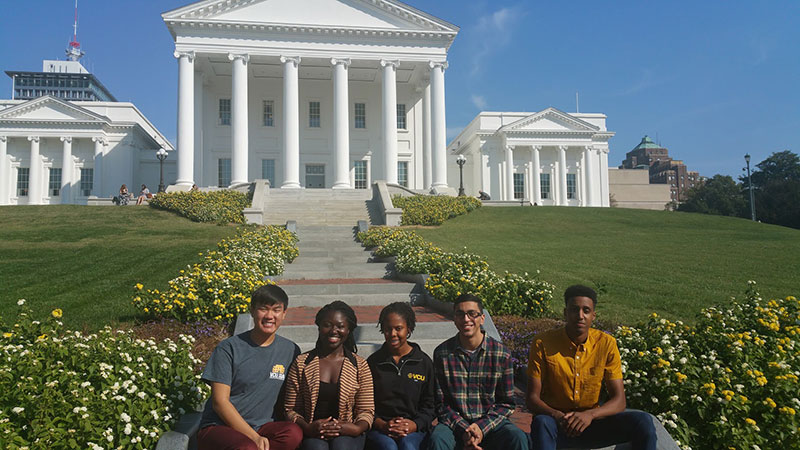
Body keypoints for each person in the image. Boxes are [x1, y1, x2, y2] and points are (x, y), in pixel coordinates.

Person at [526, 285, 657, 450]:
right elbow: (532, 398)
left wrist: (589, 415)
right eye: (574, 310)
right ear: (565, 313)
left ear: (593, 315)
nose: (580, 316)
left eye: (586, 310)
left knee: (643, 421)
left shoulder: (606, 344)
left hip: (592, 424)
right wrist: (558, 416)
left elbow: (619, 400)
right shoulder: (543, 343)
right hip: (557, 424)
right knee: (541, 422)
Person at [197, 284, 304, 450]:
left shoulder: (290, 350)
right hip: (220, 426)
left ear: (284, 314)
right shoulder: (229, 348)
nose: (270, 316)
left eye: (276, 310)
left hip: (262, 426)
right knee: (247, 447)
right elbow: (220, 402)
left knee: (293, 433)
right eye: (263, 309)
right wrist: (254, 437)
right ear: (253, 311)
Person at [429, 293, 529, 450]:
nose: (466, 319)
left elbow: (506, 404)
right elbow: (441, 404)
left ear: (482, 318)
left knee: (517, 437)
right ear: (454, 318)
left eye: (472, 314)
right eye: (460, 314)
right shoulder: (442, 354)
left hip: (491, 424)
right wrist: (466, 430)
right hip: (455, 425)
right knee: (438, 438)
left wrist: (481, 428)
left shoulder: (501, 354)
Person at [284, 301, 375, 450]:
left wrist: (356, 428)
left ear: (349, 330)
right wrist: (307, 427)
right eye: (327, 325)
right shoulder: (302, 363)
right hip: (313, 430)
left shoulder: (360, 365)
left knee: (342, 447)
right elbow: (291, 409)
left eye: (340, 326)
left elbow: (366, 410)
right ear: (319, 327)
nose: (334, 331)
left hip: (348, 431)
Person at [366, 302, 435, 450]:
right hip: (380, 429)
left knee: (408, 445)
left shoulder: (423, 362)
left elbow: (430, 405)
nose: (392, 334)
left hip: (413, 429)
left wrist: (415, 425)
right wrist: (382, 424)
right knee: (388, 447)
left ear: (408, 329)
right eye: (387, 329)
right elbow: (364, 405)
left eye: (398, 329)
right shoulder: (373, 363)